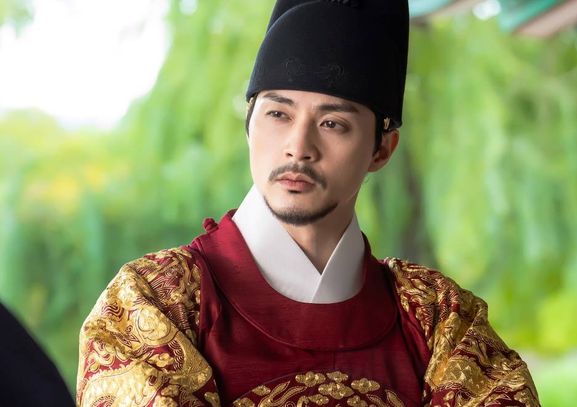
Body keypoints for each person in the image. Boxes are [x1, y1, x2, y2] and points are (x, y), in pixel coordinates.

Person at [77, 0, 539, 406]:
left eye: (333, 123)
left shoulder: (439, 320)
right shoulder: (157, 301)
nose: (298, 147)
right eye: (278, 114)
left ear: (382, 150)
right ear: (249, 125)